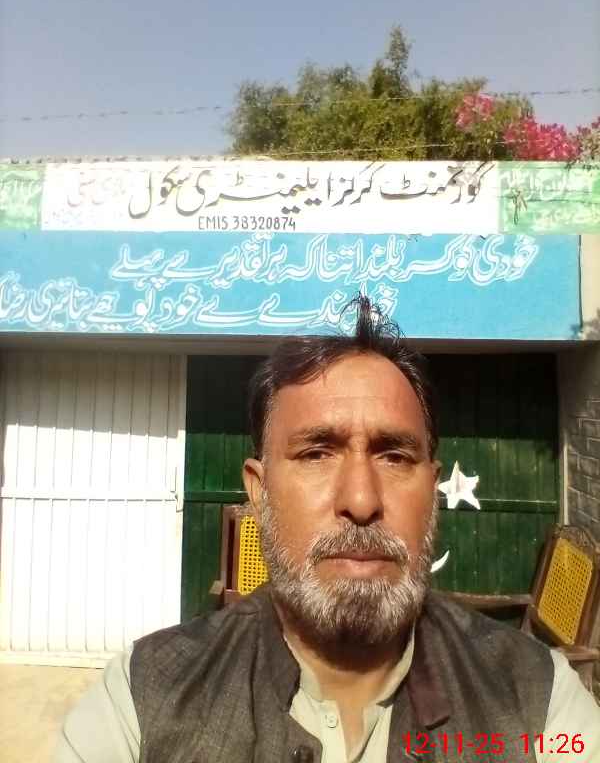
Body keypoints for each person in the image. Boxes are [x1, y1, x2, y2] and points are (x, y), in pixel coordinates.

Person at [54, 296, 600, 763]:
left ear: (432, 489)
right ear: (259, 491)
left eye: (394, 456)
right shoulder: (141, 700)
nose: (361, 501)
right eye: (316, 453)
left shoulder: (540, 703)